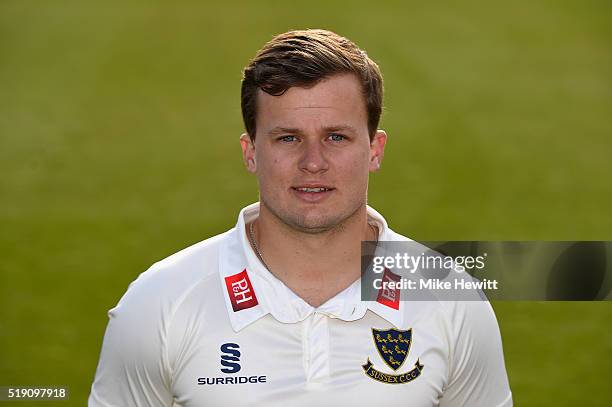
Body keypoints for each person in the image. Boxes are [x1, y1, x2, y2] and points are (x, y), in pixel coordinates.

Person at [89, 29, 513, 406]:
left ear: (375, 150)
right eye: (288, 138)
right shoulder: (159, 304)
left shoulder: (452, 301)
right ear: (251, 152)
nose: (313, 162)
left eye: (336, 137)